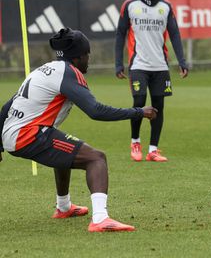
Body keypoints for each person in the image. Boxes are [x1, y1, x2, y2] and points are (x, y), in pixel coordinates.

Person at [0, 28, 157, 232]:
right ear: (78, 57)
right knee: (96, 158)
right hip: (28, 134)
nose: (88, 59)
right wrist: (138, 112)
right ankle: (100, 218)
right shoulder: (69, 73)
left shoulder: (44, 69)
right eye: (87, 54)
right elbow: (95, 111)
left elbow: (7, 106)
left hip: (14, 133)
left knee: (67, 150)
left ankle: (64, 207)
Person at [115, 0, 188, 163]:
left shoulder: (166, 7)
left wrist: (181, 61)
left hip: (160, 67)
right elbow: (120, 34)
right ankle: (135, 142)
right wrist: (118, 64)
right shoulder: (130, 5)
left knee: (158, 107)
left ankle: (153, 150)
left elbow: (174, 34)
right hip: (138, 64)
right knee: (139, 103)